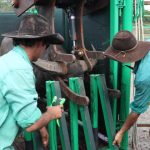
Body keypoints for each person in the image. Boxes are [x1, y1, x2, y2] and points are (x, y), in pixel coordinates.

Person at [0, 14, 64, 149]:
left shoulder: (9, 59)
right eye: (47, 46)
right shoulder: (19, 69)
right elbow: (30, 125)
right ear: (41, 43)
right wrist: (51, 114)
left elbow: (21, 107)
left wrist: (40, 125)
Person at [105, 30, 150, 147]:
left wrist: (121, 132)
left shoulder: (143, 79)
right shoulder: (148, 43)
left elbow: (137, 111)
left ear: (123, 55)